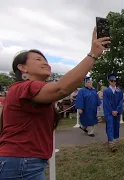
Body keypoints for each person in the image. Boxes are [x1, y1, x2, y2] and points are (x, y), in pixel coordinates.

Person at [0, 27, 110, 179]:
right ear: (22, 68)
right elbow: (61, 88)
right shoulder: (24, 87)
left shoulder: (29, 90)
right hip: (22, 163)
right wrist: (93, 54)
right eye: (38, 59)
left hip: (25, 162)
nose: (45, 63)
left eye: (46, 59)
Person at [103, 74, 123, 152]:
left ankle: (115, 139)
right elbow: (106, 102)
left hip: (116, 112)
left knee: (116, 126)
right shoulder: (106, 91)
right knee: (110, 126)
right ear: (109, 81)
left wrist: (117, 110)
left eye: (115, 81)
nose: (113, 82)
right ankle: (111, 142)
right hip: (109, 112)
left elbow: (121, 101)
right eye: (112, 81)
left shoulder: (119, 91)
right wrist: (112, 111)